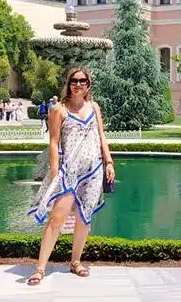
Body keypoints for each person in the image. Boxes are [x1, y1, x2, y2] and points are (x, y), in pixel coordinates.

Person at [26, 68, 114, 285]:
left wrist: (109, 161)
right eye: (74, 81)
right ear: (68, 84)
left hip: (92, 171)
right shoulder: (59, 110)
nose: (78, 84)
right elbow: (54, 142)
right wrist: (55, 171)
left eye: (82, 81)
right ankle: (40, 269)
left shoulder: (94, 107)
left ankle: (75, 262)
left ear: (88, 84)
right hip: (68, 172)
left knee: (84, 218)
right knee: (56, 218)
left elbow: (102, 135)